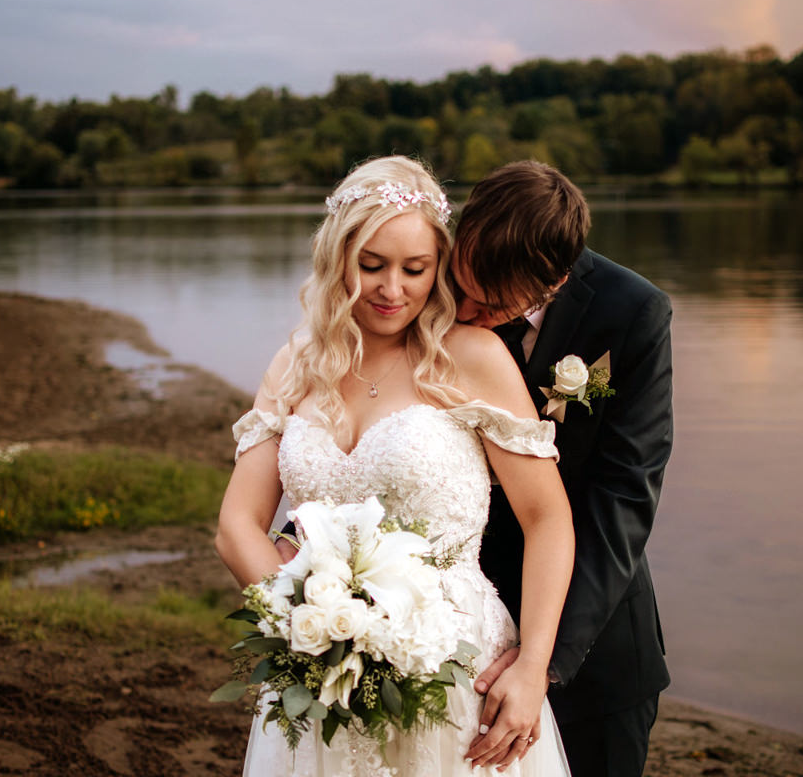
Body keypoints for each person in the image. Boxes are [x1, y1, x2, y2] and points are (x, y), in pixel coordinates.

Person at [214, 155, 576, 776]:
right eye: (371, 265)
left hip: (455, 667)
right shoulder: (295, 362)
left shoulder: (473, 356)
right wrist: (308, 623)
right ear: (337, 259)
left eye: (416, 269)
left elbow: (547, 518)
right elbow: (237, 526)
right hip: (324, 675)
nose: (392, 289)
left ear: (442, 266)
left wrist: (533, 665)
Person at [454, 161, 673, 777]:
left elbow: (623, 498)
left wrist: (543, 663)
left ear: (556, 279)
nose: (462, 312)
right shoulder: (429, 289)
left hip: (594, 643)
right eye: (459, 285)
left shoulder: (634, 314)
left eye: (489, 304)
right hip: (460, 629)